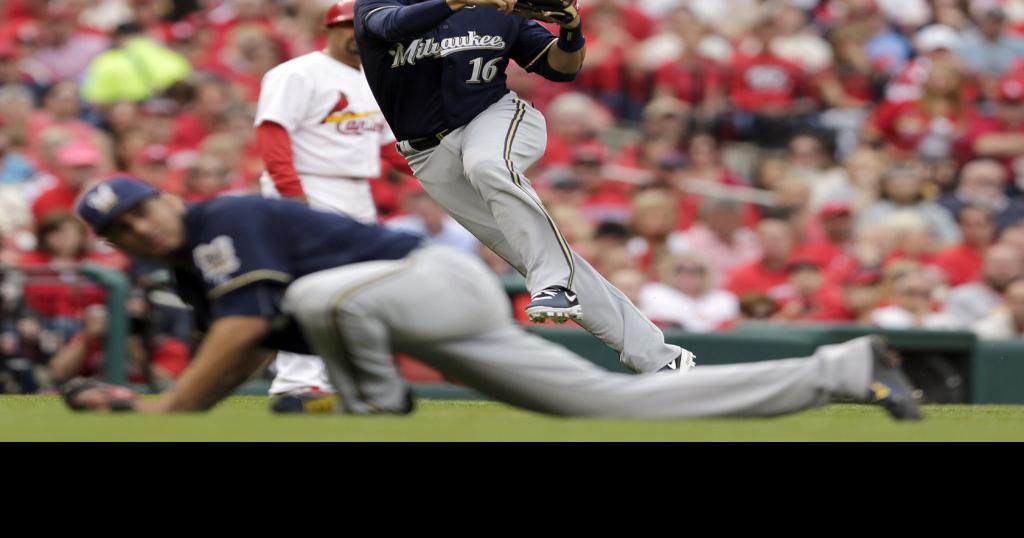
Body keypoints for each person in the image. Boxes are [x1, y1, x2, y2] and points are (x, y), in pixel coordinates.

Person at [64, 178, 922, 421]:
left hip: (419, 281)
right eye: (124, 231)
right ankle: (841, 371)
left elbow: (251, 321)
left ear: (164, 197)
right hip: (406, 311)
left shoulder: (224, 215)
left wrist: (166, 410)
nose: (141, 229)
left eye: (142, 208)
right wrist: (168, 410)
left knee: (319, 297)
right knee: (608, 409)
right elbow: (241, 348)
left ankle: (376, 405)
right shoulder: (185, 270)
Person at [352, 0, 690, 373]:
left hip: (494, 118)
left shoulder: (501, 10)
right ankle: (660, 360)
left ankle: (554, 284)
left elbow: (561, 67)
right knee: (541, 255)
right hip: (427, 154)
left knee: (487, 165)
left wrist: (572, 29)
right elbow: (386, 26)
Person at [255, 1, 412, 398]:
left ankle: (340, 379)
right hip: (308, 184)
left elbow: (389, 149)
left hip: (355, 189)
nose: (354, 34)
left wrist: (445, 170)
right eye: (346, 26)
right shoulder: (297, 73)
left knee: (354, 290)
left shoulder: (375, 78)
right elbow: (273, 135)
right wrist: (293, 197)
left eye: (361, 27)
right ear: (330, 29)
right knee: (307, 285)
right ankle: (296, 381)